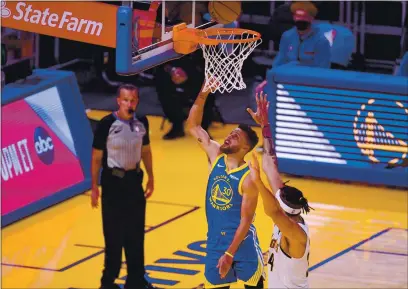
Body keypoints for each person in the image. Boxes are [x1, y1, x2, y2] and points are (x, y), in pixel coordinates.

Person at [186, 81, 264, 289]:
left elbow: (246, 221)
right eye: (230, 133)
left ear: (245, 147)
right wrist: (203, 93)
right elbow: (193, 126)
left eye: (236, 136)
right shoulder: (215, 155)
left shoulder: (248, 178)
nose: (229, 136)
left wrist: (230, 253)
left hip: (242, 245)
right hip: (215, 244)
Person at [91, 84, 156, 289]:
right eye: (126, 100)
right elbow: (96, 158)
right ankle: (108, 282)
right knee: (113, 235)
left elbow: (146, 151)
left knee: (136, 233)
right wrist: (94, 186)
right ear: (118, 101)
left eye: (133, 100)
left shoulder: (142, 123)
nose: (130, 103)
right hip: (113, 184)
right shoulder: (106, 124)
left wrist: (151, 177)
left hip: (134, 182)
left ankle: (136, 280)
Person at [247, 92, 313, 288]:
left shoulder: (296, 234)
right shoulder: (288, 212)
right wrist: (264, 125)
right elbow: (270, 162)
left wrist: (258, 181)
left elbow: (272, 211)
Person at [256, 1, 331, 94]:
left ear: (311, 19)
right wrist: (269, 79)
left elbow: (322, 69)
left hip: (309, 84)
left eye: (304, 17)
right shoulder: (287, 36)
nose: (300, 19)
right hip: (288, 81)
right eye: (298, 16)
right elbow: (280, 61)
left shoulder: (321, 41)